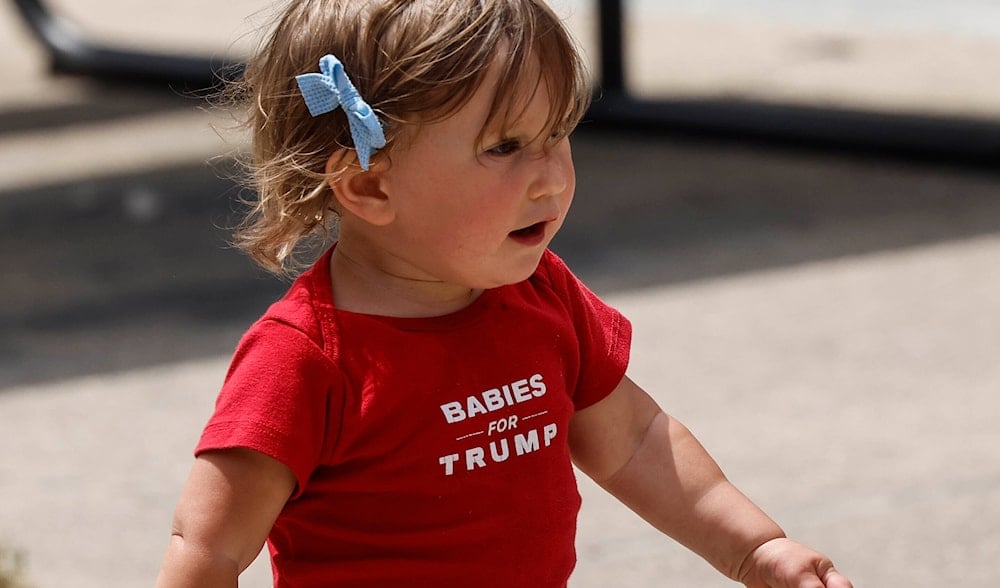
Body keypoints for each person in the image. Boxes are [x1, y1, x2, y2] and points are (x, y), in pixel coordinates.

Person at [156, 1, 854, 586]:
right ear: (369, 185)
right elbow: (208, 546)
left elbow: (636, 443)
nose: (551, 175)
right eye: (505, 147)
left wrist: (755, 548)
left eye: (558, 134)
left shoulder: (542, 296)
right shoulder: (308, 358)